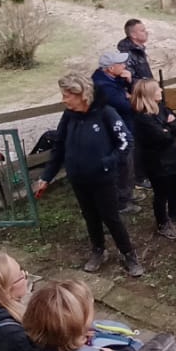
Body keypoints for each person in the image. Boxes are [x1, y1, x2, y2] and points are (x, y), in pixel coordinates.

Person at [32, 72, 143, 278]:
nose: (63, 99)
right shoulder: (68, 116)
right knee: (90, 216)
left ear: (81, 93)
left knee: (111, 217)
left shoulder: (106, 113)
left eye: (67, 95)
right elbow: (59, 147)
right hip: (78, 178)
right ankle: (98, 250)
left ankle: (129, 254)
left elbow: (126, 142)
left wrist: (107, 163)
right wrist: (46, 176)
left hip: (103, 179)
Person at [129, 79, 176, 240]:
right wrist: (169, 128)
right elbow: (163, 137)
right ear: (149, 95)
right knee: (162, 193)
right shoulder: (143, 119)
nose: (161, 90)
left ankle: (174, 212)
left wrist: (169, 127)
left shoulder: (160, 108)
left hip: (172, 157)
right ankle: (162, 223)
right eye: (157, 89)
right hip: (157, 163)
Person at [92, 50, 140, 211]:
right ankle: (122, 202)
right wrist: (130, 96)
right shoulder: (104, 87)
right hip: (116, 134)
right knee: (123, 166)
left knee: (128, 165)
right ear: (111, 68)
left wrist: (128, 82)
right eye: (121, 64)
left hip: (123, 127)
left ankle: (128, 193)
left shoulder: (111, 79)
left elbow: (127, 97)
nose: (125, 65)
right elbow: (128, 106)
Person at [118, 18, 153, 83]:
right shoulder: (126, 54)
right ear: (133, 35)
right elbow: (128, 79)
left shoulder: (138, 50)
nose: (147, 32)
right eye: (142, 31)